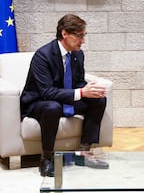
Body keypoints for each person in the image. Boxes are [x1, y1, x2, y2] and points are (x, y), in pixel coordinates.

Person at [20, 14, 108, 177]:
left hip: (64, 100)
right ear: (64, 33)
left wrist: (89, 89)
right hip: (40, 102)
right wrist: (81, 92)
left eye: (84, 35)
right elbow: (46, 92)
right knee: (53, 107)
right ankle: (46, 159)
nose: (83, 41)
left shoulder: (77, 54)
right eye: (79, 36)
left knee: (99, 100)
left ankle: (84, 152)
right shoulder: (43, 55)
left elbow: (78, 82)